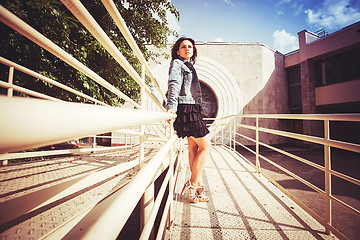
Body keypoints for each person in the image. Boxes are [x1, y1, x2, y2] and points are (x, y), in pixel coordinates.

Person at [166, 37, 211, 203]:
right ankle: (192, 184)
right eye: (183, 46)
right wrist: (171, 106)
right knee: (206, 147)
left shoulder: (188, 65)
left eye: (190, 47)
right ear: (177, 51)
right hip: (187, 108)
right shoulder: (177, 64)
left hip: (193, 108)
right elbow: (174, 83)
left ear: (193, 50)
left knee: (193, 148)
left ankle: (197, 188)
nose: (187, 49)